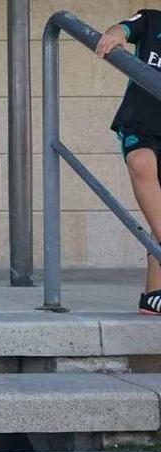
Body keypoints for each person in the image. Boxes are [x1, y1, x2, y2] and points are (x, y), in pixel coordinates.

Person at [96, 10, 161, 314]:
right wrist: (114, 35)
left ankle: (153, 295)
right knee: (141, 163)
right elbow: (123, 28)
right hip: (141, 125)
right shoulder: (152, 20)